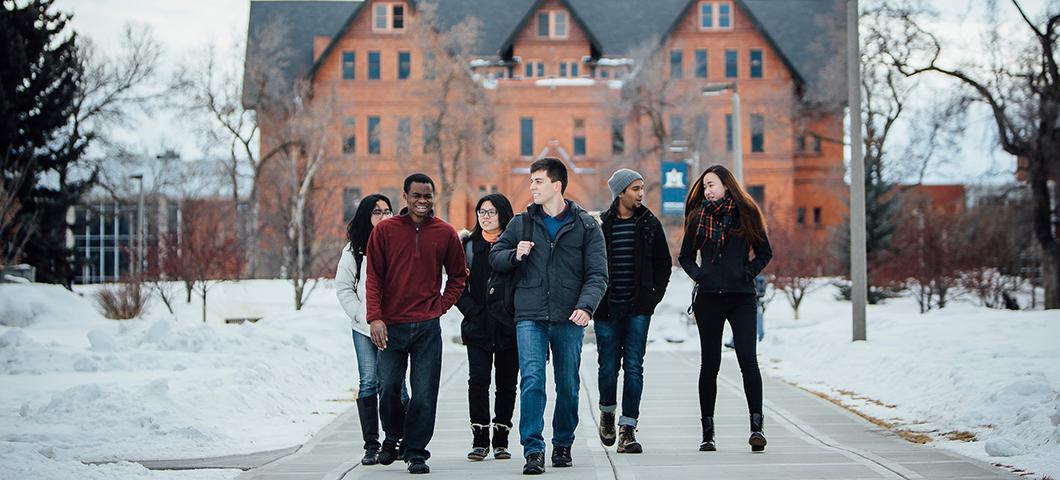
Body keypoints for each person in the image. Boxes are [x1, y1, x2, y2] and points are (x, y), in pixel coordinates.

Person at [490, 157, 608, 475]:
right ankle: (533, 449)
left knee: (568, 384)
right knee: (532, 380)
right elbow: (495, 256)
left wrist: (585, 307)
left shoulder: (586, 226)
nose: (532, 187)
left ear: (556, 185)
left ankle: (563, 443)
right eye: (530, 182)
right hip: (529, 315)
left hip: (570, 317)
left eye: (538, 181)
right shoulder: (521, 223)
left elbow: (598, 274)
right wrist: (515, 254)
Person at [365, 173, 468, 474]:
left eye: (427, 195)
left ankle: (416, 452)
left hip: (426, 327)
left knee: (424, 393)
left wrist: (441, 305)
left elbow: (459, 276)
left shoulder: (445, 233)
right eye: (417, 195)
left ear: (433, 197)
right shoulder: (385, 231)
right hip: (391, 326)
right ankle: (393, 437)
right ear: (406, 197)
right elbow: (374, 278)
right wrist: (375, 317)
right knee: (389, 389)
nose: (422, 201)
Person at [678, 165, 773, 453]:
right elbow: (685, 256)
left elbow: (765, 252)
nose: (707, 190)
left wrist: (747, 273)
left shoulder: (747, 213)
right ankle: (708, 433)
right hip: (709, 299)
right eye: (705, 186)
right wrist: (700, 275)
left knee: (747, 359)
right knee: (710, 364)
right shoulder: (698, 218)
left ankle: (757, 429)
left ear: (727, 186)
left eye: (712, 185)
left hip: (741, 297)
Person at [594, 169, 671, 454]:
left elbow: (664, 265)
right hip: (607, 309)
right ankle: (607, 413)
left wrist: (652, 299)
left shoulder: (650, 223)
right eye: (635, 188)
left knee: (634, 367)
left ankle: (628, 428)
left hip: (639, 308)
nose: (640, 194)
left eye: (642, 188)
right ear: (621, 192)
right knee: (608, 368)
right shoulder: (601, 225)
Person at [335, 194, 410, 465]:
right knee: (368, 382)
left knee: (396, 384)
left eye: (387, 211)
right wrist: (361, 316)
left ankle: (401, 440)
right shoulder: (354, 250)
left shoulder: (397, 244)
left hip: (393, 326)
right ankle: (371, 445)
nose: (383, 216)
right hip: (363, 327)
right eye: (377, 212)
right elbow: (344, 287)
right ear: (367, 216)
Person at [455, 193, 519, 461]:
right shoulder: (468, 246)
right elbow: (458, 285)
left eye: (491, 212)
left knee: (507, 384)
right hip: (478, 326)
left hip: (509, 327)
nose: (485, 216)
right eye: (482, 211)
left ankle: (501, 438)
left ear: (503, 215)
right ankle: (480, 437)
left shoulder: (517, 246)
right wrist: (473, 312)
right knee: (478, 380)